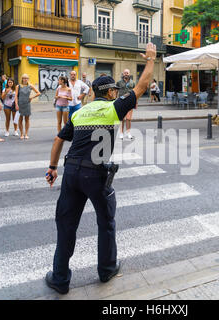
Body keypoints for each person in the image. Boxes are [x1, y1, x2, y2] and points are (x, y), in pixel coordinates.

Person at [44, 42, 157, 295]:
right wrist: (150, 59)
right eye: (115, 91)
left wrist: (52, 168)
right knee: (106, 222)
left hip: (71, 173)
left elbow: (58, 139)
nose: (117, 94)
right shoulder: (112, 109)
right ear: (110, 93)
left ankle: (60, 279)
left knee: (66, 225)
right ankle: (106, 270)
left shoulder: (79, 113)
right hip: (96, 174)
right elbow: (141, 87)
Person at [15, 74, 40, 140]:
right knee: (20, 119)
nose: (25, 79)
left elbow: (38, 93)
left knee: (27, 119)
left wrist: (32, 97)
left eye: (26, 78)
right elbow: (16, 96)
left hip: (27, 104)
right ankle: (21, 134)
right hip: (20, 104)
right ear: (22, 79)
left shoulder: (30, 86)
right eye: (24, 78)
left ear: (28, 79)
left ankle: (26, 134)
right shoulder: (18, 86)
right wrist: (16, 104)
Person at [116, 69, 136, 140]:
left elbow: (135, 93)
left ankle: (128, 133)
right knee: (122, 119)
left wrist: (135, 103)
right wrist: (115, 100)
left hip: (130, 102)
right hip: (121, 102)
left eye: (127, 73)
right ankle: (121, 133)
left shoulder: (132, 83)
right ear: (123, 74)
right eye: (125, 73)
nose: (126, 74)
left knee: (128, 119)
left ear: (129, 74)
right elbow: (116, 91)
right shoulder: (119, 82)